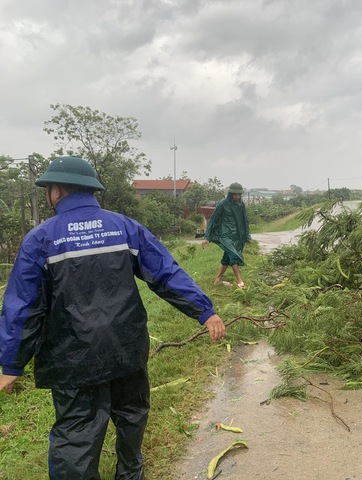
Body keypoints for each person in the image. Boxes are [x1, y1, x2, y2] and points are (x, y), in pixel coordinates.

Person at [0, 156, 226, 480]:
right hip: (127, 348)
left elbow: (23, 306)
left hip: (73, 359)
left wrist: (11, 364)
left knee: (77, 435)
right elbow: (165, 272)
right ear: (90, 189)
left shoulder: (41, 239)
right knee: (132, 416)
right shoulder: (123, 227)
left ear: (58, 190)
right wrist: (204, 310)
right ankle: (131, 473)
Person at [202, 182, 251, 288]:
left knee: (227, 258)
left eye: (238, 194)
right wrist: (207, 237)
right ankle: (240, 281)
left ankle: (218, 280)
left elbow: (245, 220)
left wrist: (247, 236)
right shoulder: (222, 204)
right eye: (234, 194)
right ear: (230, 194)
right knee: (233, 256)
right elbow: (213, 220)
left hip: (236, 235)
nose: (237, 196)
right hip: (225, 235)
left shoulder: (241, 204)